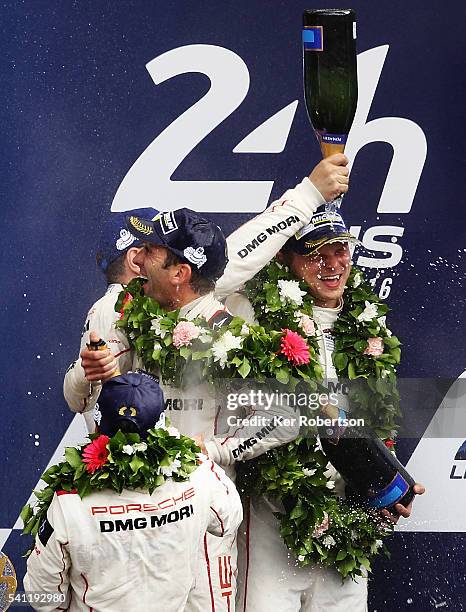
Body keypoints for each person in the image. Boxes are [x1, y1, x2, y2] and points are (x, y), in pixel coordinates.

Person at [63, 155, 350, 610]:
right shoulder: (118, 308)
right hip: (130, 505)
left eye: (151, 250)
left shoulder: (224, 315)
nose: (141, 259)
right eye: (138, 251)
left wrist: (216, 449)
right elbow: (79, 398)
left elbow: (243, 250)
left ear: (179, 271)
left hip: (206, 504)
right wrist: (87, 372)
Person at [234, 205, 426, 612]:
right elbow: (217, 276)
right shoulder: (252, 316)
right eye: (316, 253)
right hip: (275, 520)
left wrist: (389, 483)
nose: (332, 263)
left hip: (347, 523)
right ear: (285, 257)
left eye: (341, 249)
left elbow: (376, 427)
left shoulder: (371, 326)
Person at [24, 371, 243, 612]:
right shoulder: (197, 474)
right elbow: (228, 520)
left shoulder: (69, 501)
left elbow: (42, 597)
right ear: (163, 429)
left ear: (97, 425)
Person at [64, 208, 158, 429]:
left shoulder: (125, 305)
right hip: (137, 453)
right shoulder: (116, 308)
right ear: (137, 261)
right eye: (160, 249)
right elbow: (94, 397)